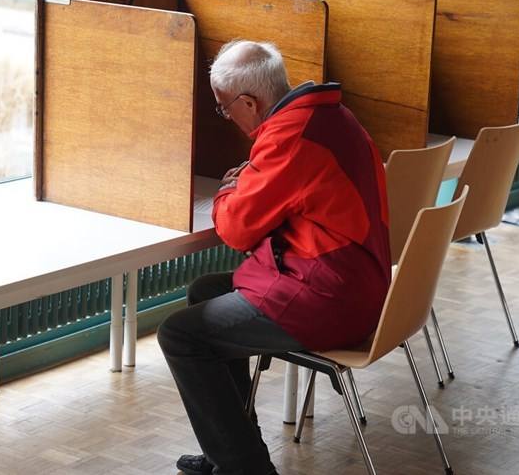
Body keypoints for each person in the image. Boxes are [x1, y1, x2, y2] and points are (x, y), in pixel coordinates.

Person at [157, 40, 391, 475]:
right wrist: (249, 183)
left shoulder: (290, 138)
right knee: (204, 292)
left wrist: (230, 189)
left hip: (328, 298)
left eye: (225, 108)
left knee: (180, 337)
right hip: (354, 281)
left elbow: (235, 229)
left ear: (249, 101)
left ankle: (246, 468)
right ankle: (229, 447)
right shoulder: (330, 116)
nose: (227, 117)